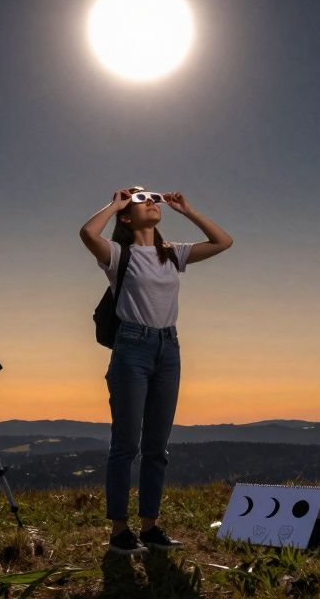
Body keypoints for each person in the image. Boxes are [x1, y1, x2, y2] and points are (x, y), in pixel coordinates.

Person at [80, 186, 233, 555]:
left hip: (169, 348)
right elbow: (87, 233)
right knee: (126, 444)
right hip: (132, 347)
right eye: (140, 201)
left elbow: (223, 241)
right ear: (127, 218)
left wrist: (186, 209)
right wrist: (115, 203)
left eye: (152, 200)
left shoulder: (171, 254)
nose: (150, 202)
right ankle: (120, 531)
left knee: (156, 447)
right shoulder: (120, 255)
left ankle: (150, 527)